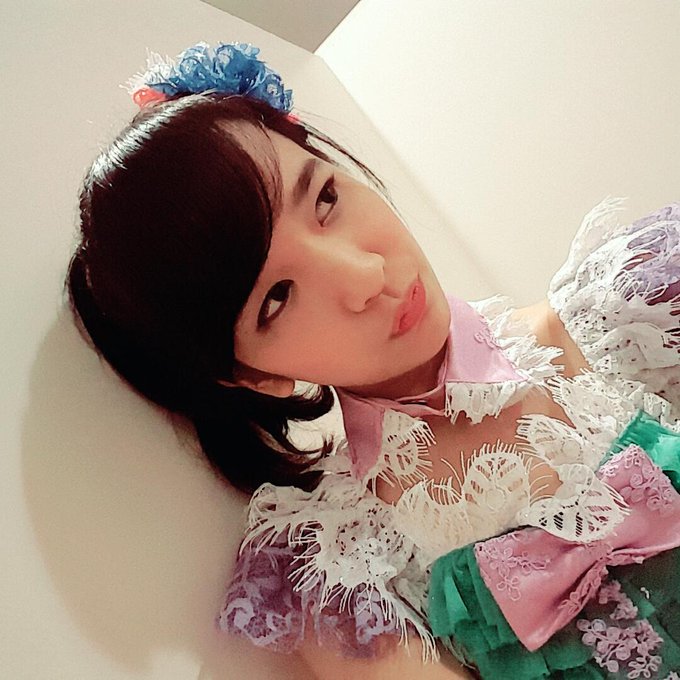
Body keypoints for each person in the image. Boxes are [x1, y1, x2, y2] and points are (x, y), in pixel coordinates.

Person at [66, 42, 680, 679]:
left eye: (325, 199)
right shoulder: (341, 572)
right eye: (278, 296)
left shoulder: (627, 312)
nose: (365, 275)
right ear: (251, 374)